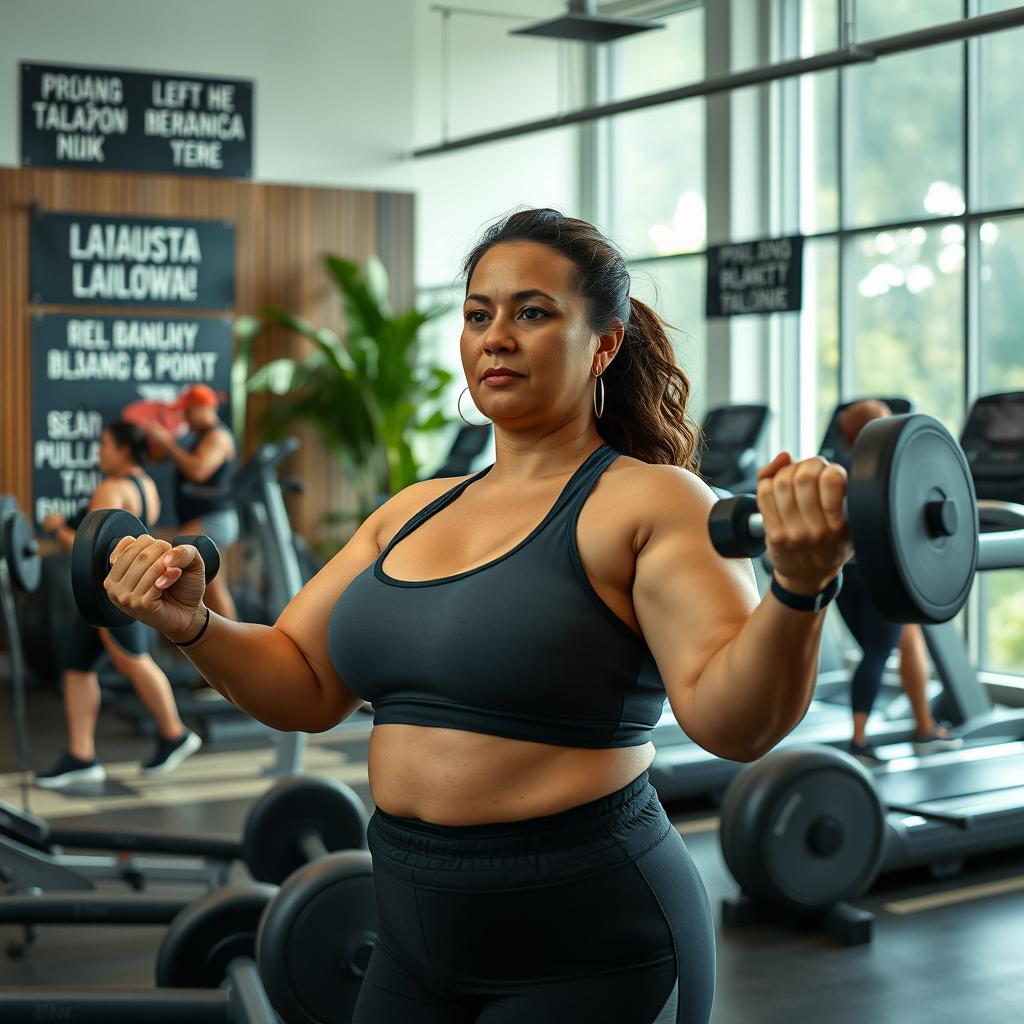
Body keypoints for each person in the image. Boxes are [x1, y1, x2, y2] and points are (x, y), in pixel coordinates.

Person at [101, 209, 857, 1024]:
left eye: (532, 312)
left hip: (593, 945)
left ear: (603, 344)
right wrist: (195, 627)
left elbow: (731, 721)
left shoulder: (650, 500)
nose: (496, 336)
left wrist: (799, 587)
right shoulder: (412, 511)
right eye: (478, 313)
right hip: (411, 938)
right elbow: (306, 682)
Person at [35, 421, 202, 789]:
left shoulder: (110, 488)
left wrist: (54, 528)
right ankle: (81, 756)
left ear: (125, 449)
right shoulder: (146, 486)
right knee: (77, 668)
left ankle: (175, 733)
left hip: (110, 593)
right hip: (111, 593)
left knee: (135, 663)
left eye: (105, 444)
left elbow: (88, 550)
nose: (99, 452)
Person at [835, 399, 962, 760]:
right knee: (877, 653)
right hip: (880, 576)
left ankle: (925, 727)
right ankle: (859, 740)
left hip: (847, 576)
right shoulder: (888, 469)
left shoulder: (838, 467)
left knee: (908, 639)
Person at [145, 384, 239, 621]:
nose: (185, 417)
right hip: (205, 519)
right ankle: (230, 640)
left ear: (204, 408)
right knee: (214, 587)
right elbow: (163, 458)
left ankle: (235, 641)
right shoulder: (197, 438)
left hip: (213, 520)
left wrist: (167, 444)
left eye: (188, 411)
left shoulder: (218, 436)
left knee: (172, 556)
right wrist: (161, 444)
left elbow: (199, 470)